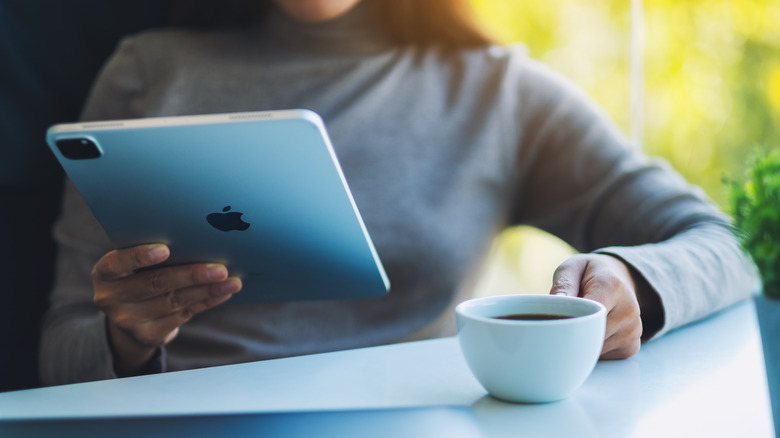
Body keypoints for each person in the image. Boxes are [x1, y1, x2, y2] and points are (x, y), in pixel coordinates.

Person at [40, 0, 759, 385]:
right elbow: (60, 353)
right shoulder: (148, 71)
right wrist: (124, 337)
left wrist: (637, 280)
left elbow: (727, 245)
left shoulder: (497, 93)